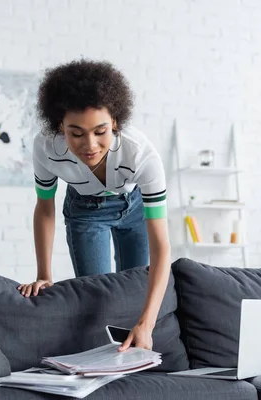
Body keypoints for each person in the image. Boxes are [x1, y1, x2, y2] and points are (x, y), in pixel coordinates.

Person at [17, 59, 171, 351]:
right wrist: (44, 275)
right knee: (99, 298)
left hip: (135, 208)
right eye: (76, 133)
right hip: (85, 212)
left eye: (100, 131)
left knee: (134, 291)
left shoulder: (140, 154)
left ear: (114, 121)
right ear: (59, 125)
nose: (89, 144)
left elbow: (162, 246)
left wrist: (146, 324)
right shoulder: (46, 147)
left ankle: (135, 357)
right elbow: (45, 209)